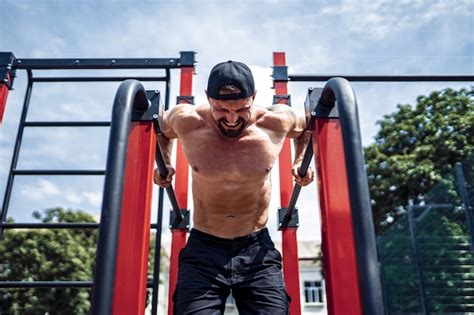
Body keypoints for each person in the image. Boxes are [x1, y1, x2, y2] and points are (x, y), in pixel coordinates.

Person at [154, 60, 314, 315]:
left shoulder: (275, 121)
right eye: (221, 109)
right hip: (203, 249)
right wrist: (165, 162)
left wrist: (299, 160)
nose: (231, 119)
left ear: (253, 98)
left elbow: (307, 125)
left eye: (241, 109)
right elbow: (160, 130)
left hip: (256, 249)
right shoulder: (187, 119)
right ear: (208, 99)